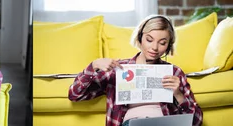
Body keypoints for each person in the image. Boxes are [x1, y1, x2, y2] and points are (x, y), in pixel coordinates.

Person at [68, 15, 203, 126]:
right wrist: (94, 65)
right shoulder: (118, 69)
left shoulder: (174, 72)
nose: (154, 48)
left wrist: (178, 95)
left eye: (162, 43)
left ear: (168, 47)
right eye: (149, 40)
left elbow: (196, 121)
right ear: (140, 38)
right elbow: (75, 95)